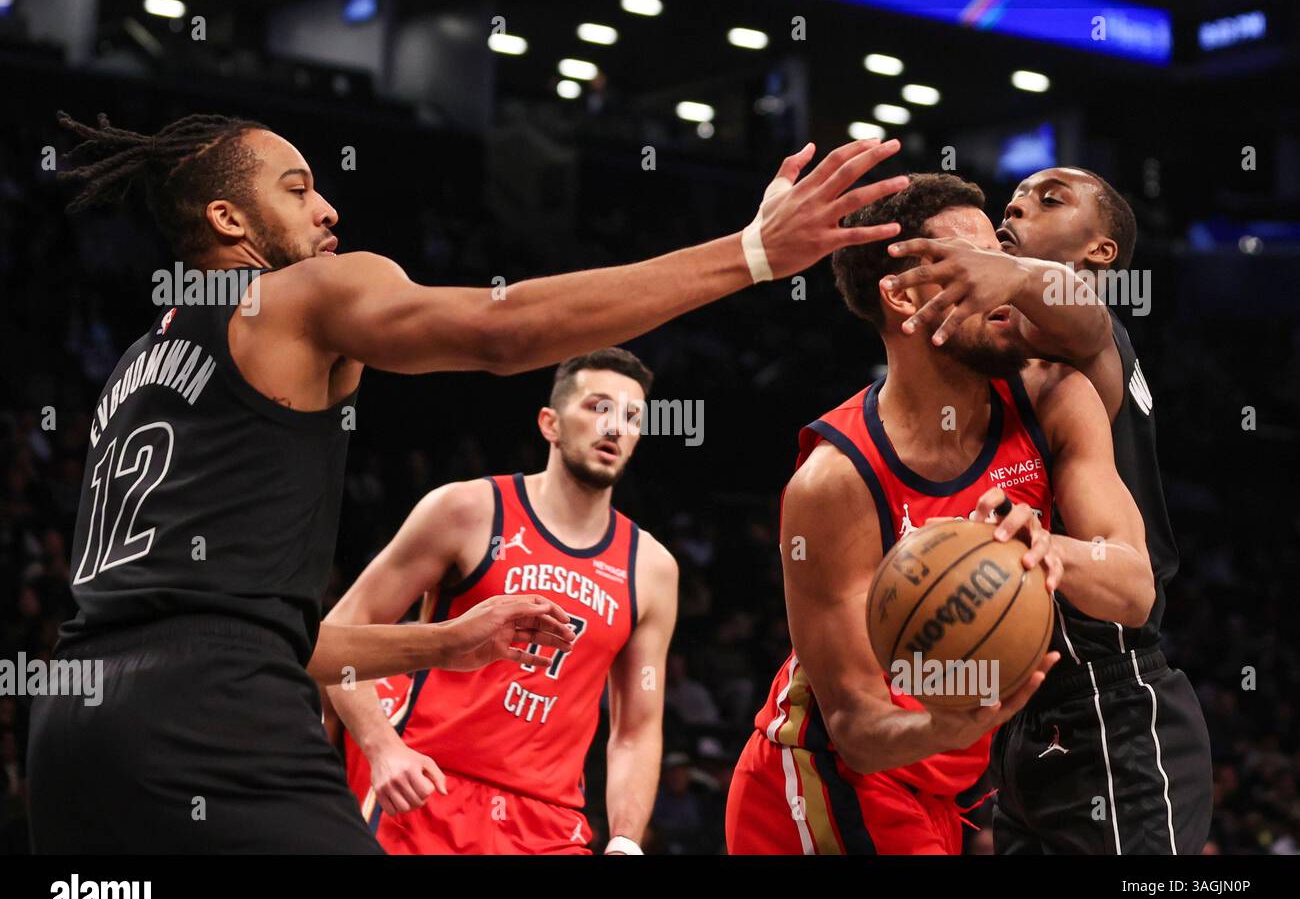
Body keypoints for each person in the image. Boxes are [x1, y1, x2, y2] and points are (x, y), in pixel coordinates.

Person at [26, 110, 906, 852]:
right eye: (295, 189)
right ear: (226, 219)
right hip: (212, 722)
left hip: (74, 731)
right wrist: (752, 253)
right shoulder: (301, 298)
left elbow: (259, 632)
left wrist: (445, 645)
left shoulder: (135, 371)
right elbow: (503, 330)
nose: (328, 209)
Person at [725, 173, 1155, 854]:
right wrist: (944, 731)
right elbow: (857, 728)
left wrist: (1053, 549)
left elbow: (1133, 590)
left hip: (949, 789)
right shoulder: (833, 481)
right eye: (972, 267)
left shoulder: (1052, 397)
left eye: (1004, 262)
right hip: (826, 777)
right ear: (901, 296)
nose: (1003, 284)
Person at [884, 166, 1212, 853]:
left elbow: (1081, 314)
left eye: (1050, 199)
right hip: (1026, 704)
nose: (1018, 208)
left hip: (1110, 691)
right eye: (1012, 202)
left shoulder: (1090, 341)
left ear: (1100, 252)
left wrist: (1014, 274)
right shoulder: (1012, 357)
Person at [332, 348, 677, 855]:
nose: (615, 426)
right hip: (428, 792)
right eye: (598, 407)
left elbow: (637, 729)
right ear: (550, 423)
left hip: (551, 825)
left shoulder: (651, 568)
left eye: (631, 417)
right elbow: (342, 634)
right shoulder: (466, 510)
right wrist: (383, 750)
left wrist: (625, 840)